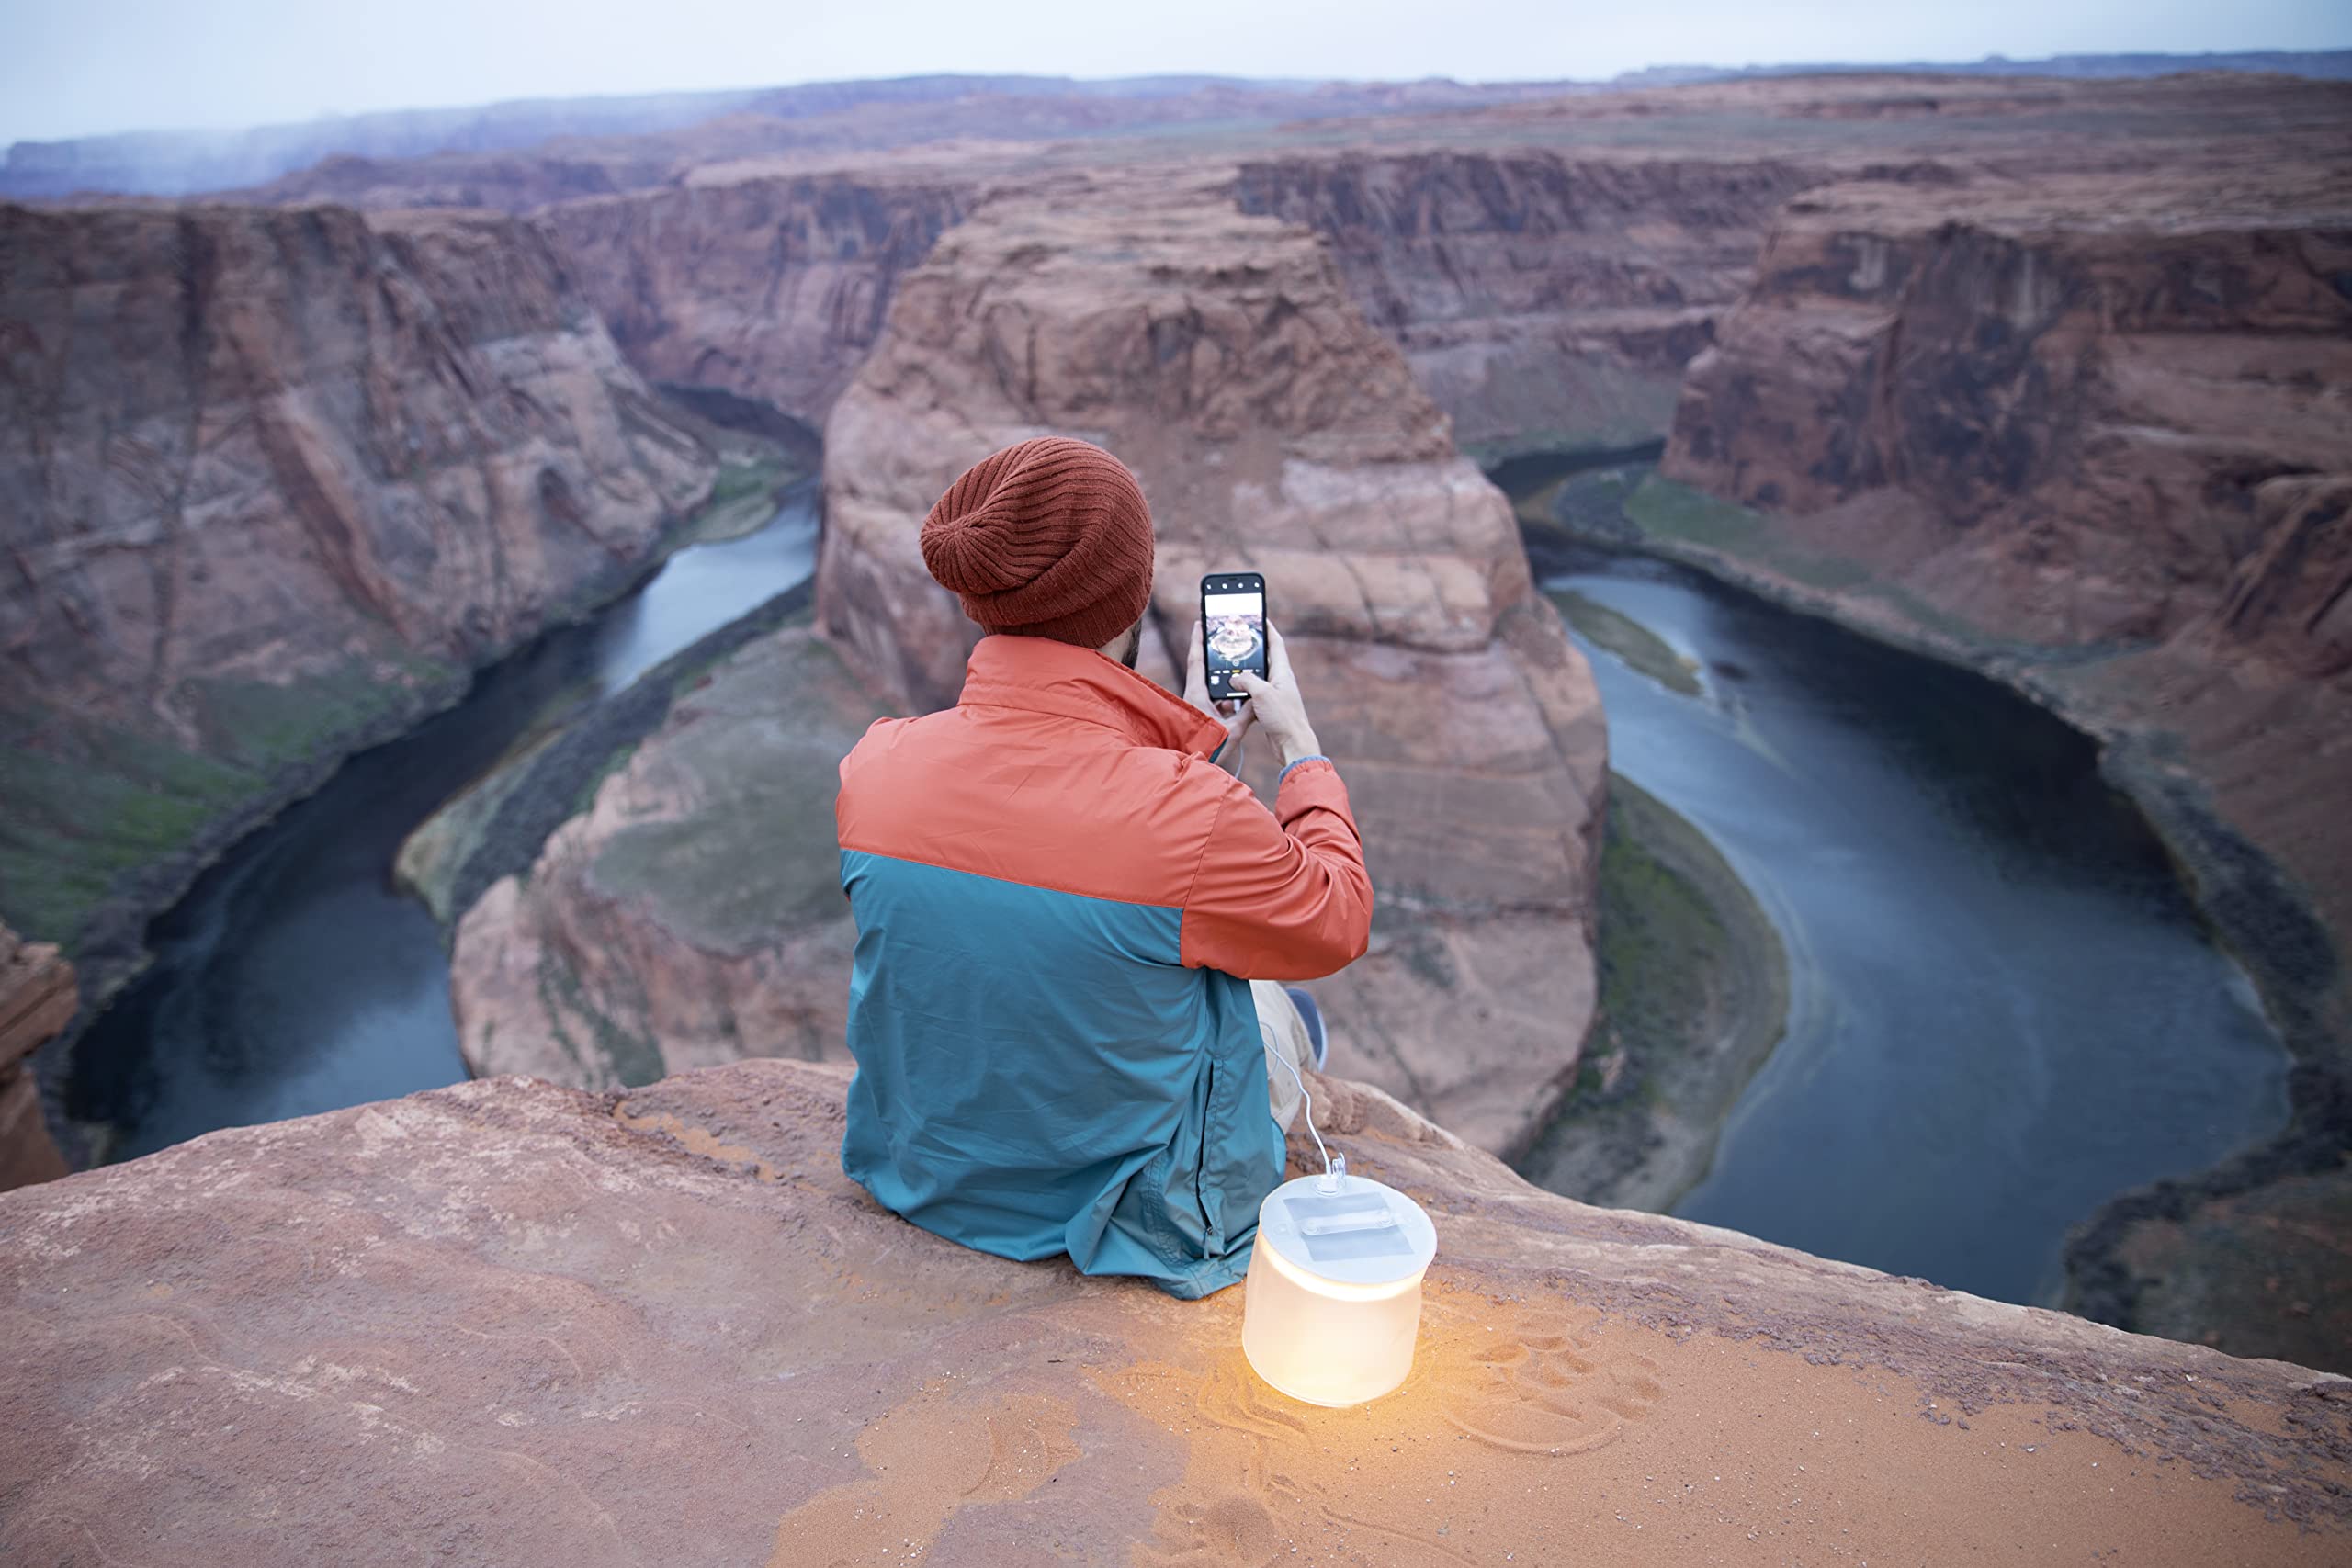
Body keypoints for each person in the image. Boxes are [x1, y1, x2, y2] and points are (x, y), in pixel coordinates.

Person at [833, 435, 1374, 1298]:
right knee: (1280, 1000)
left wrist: (1190, 744)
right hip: (1145, 1217)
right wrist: (1299, 742)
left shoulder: (874, 768)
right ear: (1126, 602)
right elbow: (1337, 918)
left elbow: (1074, 840)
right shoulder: (1190, 814)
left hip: (925, 1182)